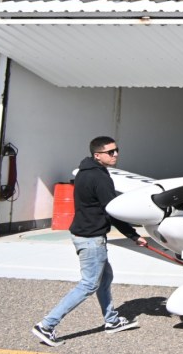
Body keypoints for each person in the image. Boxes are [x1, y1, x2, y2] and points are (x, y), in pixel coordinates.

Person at [32, 137, 147, 347]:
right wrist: (133, 235)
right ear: (97, 155)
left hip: (84, 234)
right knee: (88, 284)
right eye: (110, 152)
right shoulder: (100, 177)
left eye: (116, 150)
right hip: (91, 239)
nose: (116, 154)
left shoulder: (84, 171)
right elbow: (113, 211)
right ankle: (46, 325)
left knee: (105, 278)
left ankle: (111, 321)